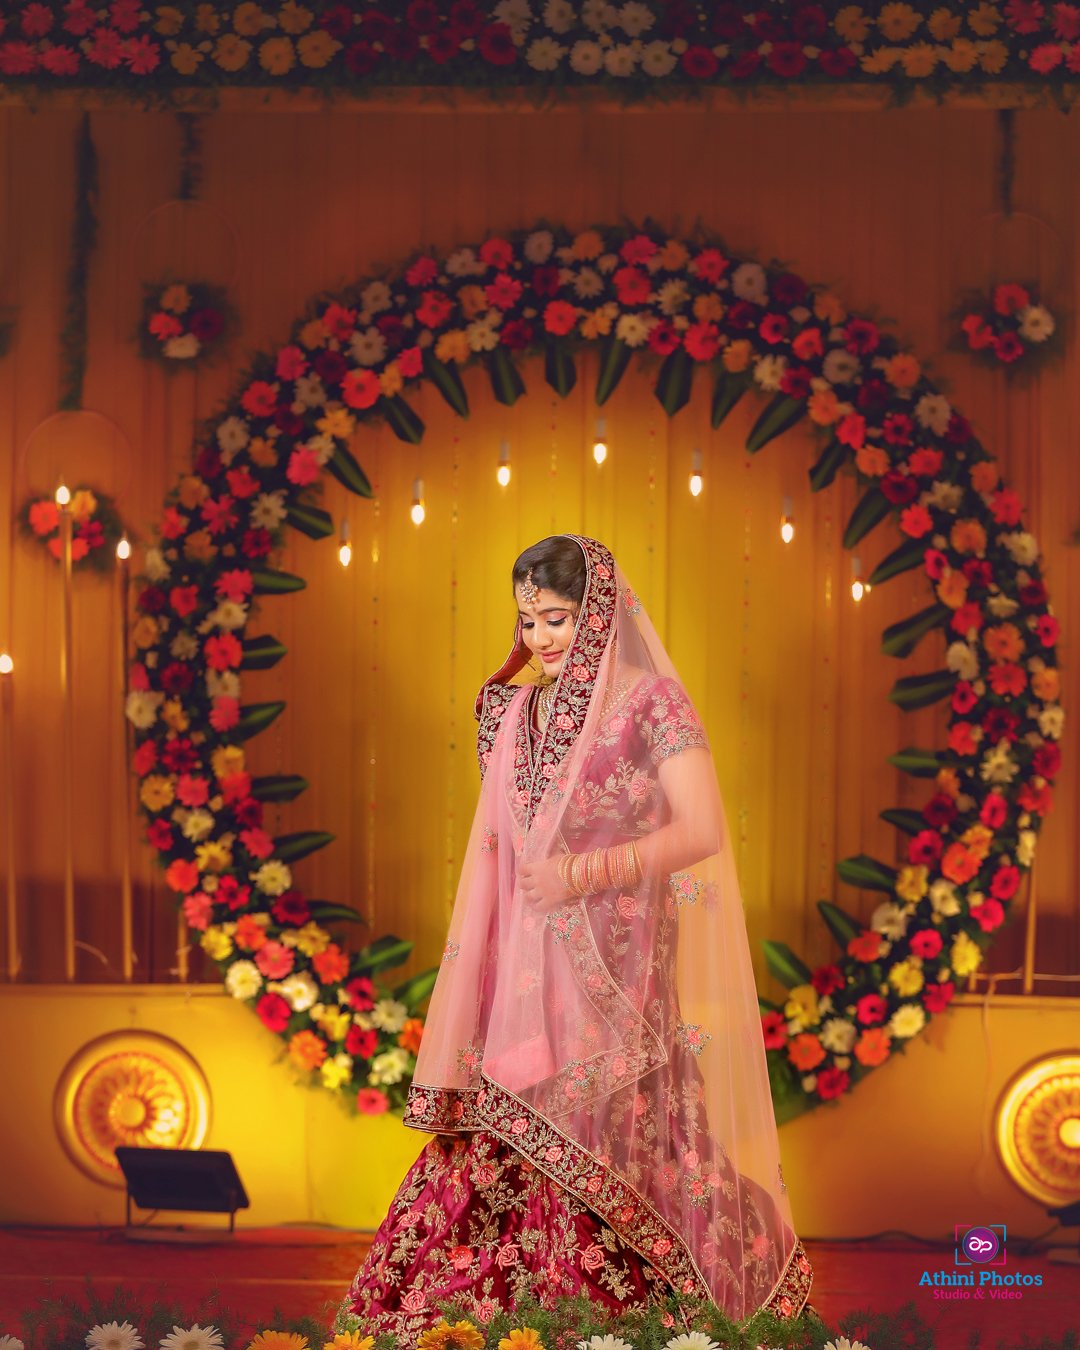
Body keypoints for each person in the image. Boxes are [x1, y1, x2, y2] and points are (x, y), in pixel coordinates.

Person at [344, 533, 814, 1338]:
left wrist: (580, 877)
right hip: (522, 977)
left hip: (620, 974)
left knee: (627, 1127)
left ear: (599, 615)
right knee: (499, 1143)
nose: (542, 640)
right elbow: (502, 852)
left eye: (558, 618)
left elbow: (700, 827)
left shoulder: (649, 703)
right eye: (528, 621)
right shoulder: (512, 708)